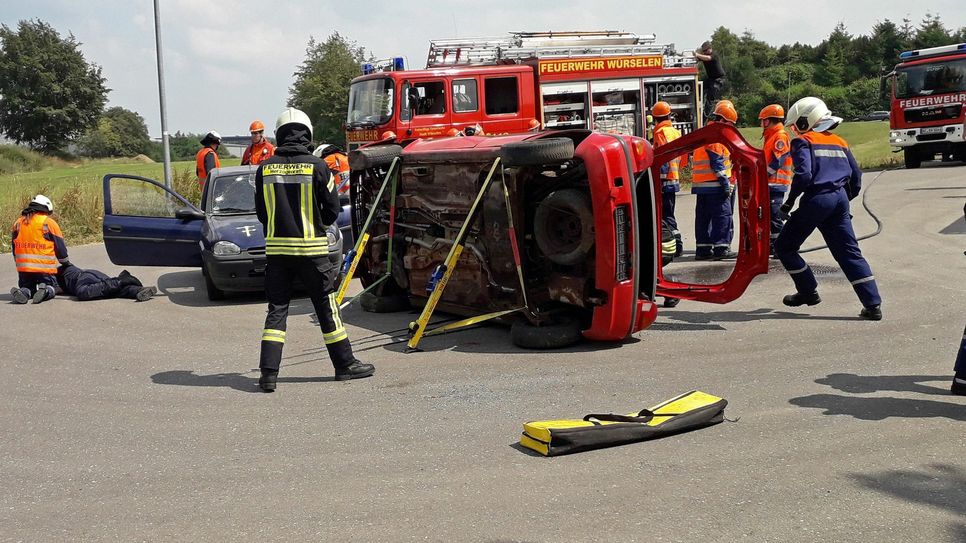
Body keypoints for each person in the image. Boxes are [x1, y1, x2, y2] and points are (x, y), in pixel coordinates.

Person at [254, 107, 373, 392]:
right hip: (313, 252)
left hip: (277, 253)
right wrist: (314, 223)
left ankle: (268, 374)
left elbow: (262, 213)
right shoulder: (318, 166)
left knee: (276, 310)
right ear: (306, 133)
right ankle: (344, 365)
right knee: (326, 308)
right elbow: (332, 211)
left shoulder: (264, 169)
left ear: (279, 134)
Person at [775, 96, 882, 320]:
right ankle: (872, 304)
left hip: (817, 199)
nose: (794, 131)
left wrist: (788, 203)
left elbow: (804, 175)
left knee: (785, 246)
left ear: (806, 121)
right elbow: (856, 176)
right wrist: (843, 199)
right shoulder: (840, 142)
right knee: (849, 253)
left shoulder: (803, 142)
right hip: (839, 199)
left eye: (795, 126)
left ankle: (808, 291)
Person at [691, 100, 738, 261]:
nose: (731, 127)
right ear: (723, 120)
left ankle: (703, 249)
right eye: (730, 124)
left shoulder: (706, 131)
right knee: (722, 215)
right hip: (715, 184)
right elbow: (716, 161)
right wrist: (725, 183)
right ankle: (721, 248)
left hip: (702, 185)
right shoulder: (716, 135)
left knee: (703, 217)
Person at [10, 195, 68, 304]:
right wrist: (65, 262)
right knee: (51, 286)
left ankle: (24, 292)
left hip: (24, 268)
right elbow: (60, 247)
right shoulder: (48, 223)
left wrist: (17, 262)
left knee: (27, 286)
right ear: (46, 209)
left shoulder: (18, 223)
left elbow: (14, 246)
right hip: (44, 268)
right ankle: (46, 291)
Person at [759, 104, 794, 255]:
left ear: (768, 120)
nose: (761, 123)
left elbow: (777, 161)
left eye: (763, 120)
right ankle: (773, 245)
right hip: (770, 183)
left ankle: (781, 246)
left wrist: (762, 176)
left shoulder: (780, 136)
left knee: (775, 216)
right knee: (769, 216)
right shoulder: (772, 135)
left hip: (776, 182)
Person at [652, 101, 684, 257]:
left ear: (655, 118)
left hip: (664, 182)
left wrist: (659, 179)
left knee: (666, 215)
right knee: (669, 213)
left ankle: (676, 245)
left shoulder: (660, 133)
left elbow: (662, 157)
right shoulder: (675, 132)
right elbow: (683, 156)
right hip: (674, 178)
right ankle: (676, 244)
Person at [58, 263, 157, 302]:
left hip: (84, 277)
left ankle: (121, 280)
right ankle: (139, 290)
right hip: (93, 275)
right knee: (111, 291)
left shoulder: (54, 273)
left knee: (82, 292)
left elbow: (54, 289)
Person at [694, 41, 726, 119]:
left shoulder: (714, 55)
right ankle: (697, 105)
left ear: (710, 48)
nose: (704, 52)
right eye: (703, 51)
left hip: (718, 80)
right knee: (697, 89)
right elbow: (698, 58)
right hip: (711, 79)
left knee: (709, 99)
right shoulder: (705, 55)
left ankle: (704, 118)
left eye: (706, 50)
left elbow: (708, 58)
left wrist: (697, 54)